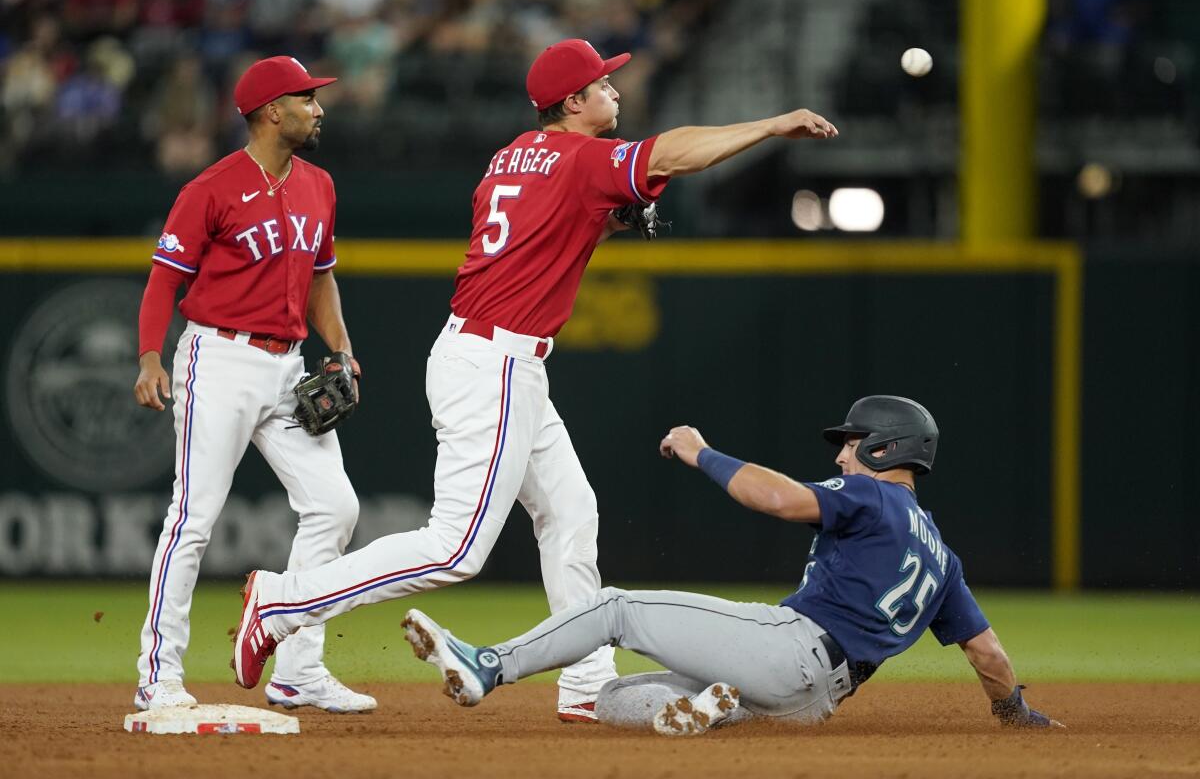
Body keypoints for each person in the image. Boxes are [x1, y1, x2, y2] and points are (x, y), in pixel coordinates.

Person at [231, 38, 838, 723]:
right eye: (603, 85)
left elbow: (542, 236)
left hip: (497, 358)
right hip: (492, 364)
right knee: (455, 548)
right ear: (573, 103)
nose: (615, 91)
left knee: (571, 512)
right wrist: (770, 124)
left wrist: (602, 225)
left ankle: (585, 682)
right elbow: (671, 153)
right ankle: (285, 603)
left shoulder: (512, 156)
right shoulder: (582, 157)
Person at [399, 396, 1064, 736]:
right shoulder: (941, 557)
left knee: (613, 608)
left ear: (888, 450)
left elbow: (776, 498)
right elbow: (987, 653)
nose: (842, 457)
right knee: (608, 699)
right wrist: (1015, 715)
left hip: (792, 646)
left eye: (854, 444)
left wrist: (701, 452)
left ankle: (490, 665)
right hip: (814, 703)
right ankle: (703, 710)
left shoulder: (870, 493)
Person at [132, 56, 374, 714]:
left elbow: (323, 276)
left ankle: (298, 669)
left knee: (336, 506)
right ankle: (159, 675)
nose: (318, 108)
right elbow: (164, 280)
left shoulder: (319, 185)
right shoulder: (211, 188)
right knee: (194, 517)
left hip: (287, 366)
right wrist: (151, 358)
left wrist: (342, 348)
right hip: (220, 360)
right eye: (306, 98)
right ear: (272, 111)